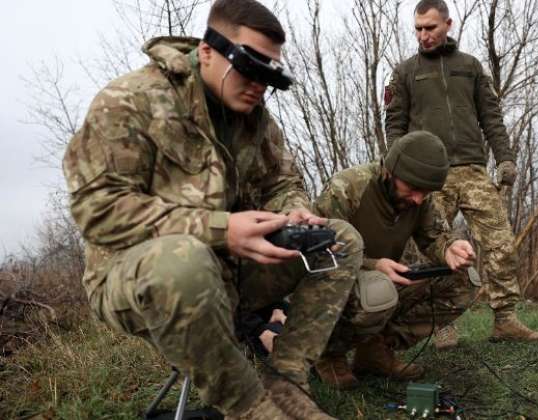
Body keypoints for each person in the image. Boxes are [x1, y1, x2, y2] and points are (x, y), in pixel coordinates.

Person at [62, 1, 362, 419]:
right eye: (249, 67)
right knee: (183, 262)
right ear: (207, 51)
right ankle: (251, 407)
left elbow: (282, 182)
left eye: (268, 75)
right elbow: (98, 210)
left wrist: (293, 213)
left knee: (339, 241)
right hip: (140, 277)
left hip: (231, 272)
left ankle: (287, 379)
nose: (258, 85)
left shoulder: (255, 119)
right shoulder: (129, 102)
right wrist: (220, 229)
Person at [384, 0, 538, 346]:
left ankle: (505, 319)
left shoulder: (470, 67)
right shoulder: (405, 72)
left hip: (472, 169)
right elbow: (394, 125)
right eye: (418, 29)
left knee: (499, 242)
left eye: (431, 27)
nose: (424, 35)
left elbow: (491, 117)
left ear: (448, 24)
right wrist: (397, 169)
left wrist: (505, 159)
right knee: (433, 250)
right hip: (429, 178)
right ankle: (440, 323)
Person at [312, 131, 478, 389]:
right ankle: (328, 354)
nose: (418, 199)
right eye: (412, 189)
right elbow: (315, 252)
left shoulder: (420, 198)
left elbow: (433, 237)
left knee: (463, 279)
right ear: (390, 172)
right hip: (336, 286)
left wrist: (450, 247)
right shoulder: (346, 188)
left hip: (384, 284)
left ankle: (375, 350)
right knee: (378, 288)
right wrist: (372, 265)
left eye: (425, 192)